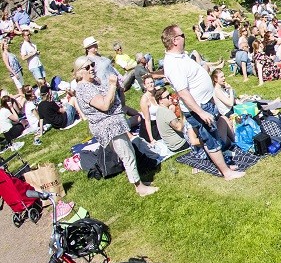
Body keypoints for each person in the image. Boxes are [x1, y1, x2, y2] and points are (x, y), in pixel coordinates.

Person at [161, 25, 244, 180]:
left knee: (213, 135)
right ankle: (226, 173)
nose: (185, 37)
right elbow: (183, 93)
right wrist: (201, 112)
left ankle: (224, 165)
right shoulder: (173, 64)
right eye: (182, 35)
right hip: (198, 108)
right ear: (175, 40)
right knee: (210, 139)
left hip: (205, 103)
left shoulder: (180, 57)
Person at [72, 56, 158, 196]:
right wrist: (112, 85)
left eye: (92, 65)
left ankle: (139, 182)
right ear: (79, 72)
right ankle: (140, 188)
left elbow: (115, 100)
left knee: (129, 151)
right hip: (109, 127)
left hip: (116, 123)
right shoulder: (84, 88)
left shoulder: (94, 82)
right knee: (127, 154)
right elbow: (105, 105)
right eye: (87, 67)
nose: (92, 68)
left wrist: (117, 88)